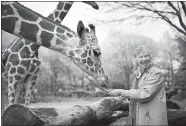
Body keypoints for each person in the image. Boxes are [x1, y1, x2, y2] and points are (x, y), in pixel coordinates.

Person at [109, 46, 168, 125]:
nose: (144, 59)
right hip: (140, 118)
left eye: (146, 56)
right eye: (140, 57)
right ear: (136, 59)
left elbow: (144, 94)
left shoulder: (156, 73)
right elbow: (135, 94)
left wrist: (122, 92)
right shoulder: (137, 74)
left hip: (152, 120)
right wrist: (126, 96)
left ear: (150, 57)